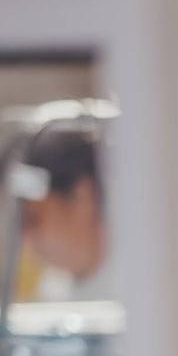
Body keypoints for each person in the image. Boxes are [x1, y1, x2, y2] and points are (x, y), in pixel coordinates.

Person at [18, 126, 109, 301]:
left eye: (33, 219)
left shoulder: (152, 279)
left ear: (83, 196)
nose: (26, 239)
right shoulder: (51, 299)